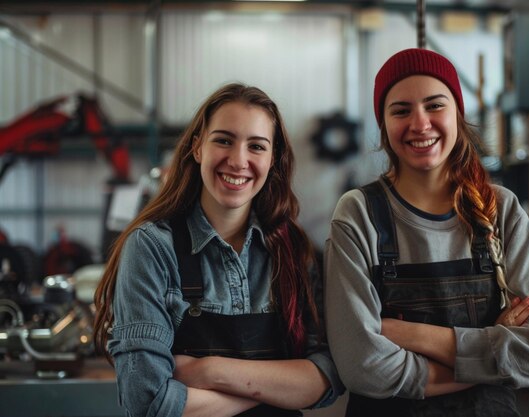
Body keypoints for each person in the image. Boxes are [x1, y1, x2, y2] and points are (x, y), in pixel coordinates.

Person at [324, 48, 529, 416]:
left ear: (457, 113)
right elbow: (363, 367)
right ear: (384, 125)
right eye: (401, 110)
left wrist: (418, 336)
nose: (420, 124)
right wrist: (490, 354)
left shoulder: (499, 209)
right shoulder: (359, 214)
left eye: (435, 105)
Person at [93, 83, 343, 417]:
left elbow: (327, 378)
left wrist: (210, 371)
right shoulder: (152, 248)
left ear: (272, 160)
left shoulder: (294, 251)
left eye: (256, 146)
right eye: (224, 140)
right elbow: (147, 402)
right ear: (197, 148)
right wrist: (279, 389)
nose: (239, 161)